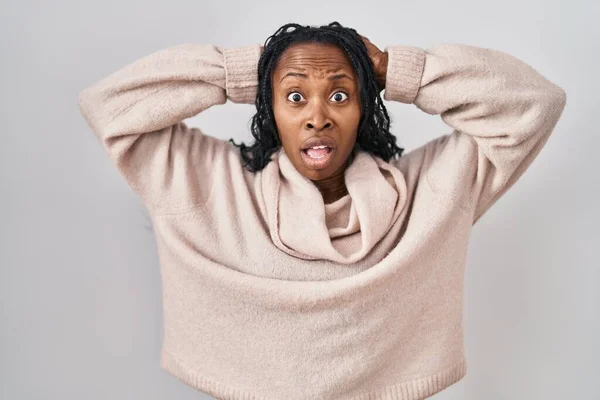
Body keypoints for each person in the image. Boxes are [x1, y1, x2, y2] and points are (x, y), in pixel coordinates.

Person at [78, 21, 566, 400]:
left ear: (364, 108)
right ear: (269, 109)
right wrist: (250, 69)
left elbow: (533, 104)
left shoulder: (429, 192)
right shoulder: (211, 186)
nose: (317, 116)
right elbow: (109, 105)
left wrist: (394, 70)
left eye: (340, 94)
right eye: (294, 97)